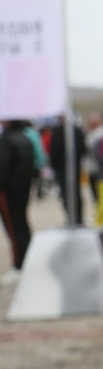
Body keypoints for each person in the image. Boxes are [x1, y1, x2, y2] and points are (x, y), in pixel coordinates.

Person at [0, 120, 37, 285]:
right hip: (23, 189)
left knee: (14, 229)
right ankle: (27, 259)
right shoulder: (26, 138)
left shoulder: (7, 140)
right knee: (21, 226)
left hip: (9, 192)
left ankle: (19, 265)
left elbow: (3, 168)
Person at [49, 117, 87, 225]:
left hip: (65, 168)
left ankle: (73, 218)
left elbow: (53, 151)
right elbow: (83, 150)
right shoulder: (76, 130)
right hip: (72, 167)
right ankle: (77, 218)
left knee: (68, 194)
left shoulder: (59, 131)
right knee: (74, 193)